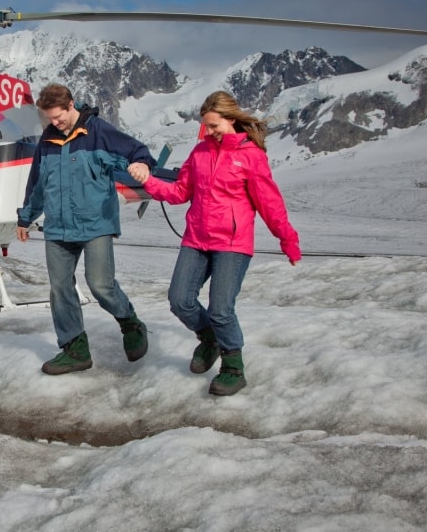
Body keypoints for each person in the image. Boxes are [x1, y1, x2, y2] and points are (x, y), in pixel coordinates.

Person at [128, 90, 301, 396]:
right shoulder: (200, 153)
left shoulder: (251, 156)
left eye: (213, 126)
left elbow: (270, 204)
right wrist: (148, 181)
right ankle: (210, 339)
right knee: (180, 300)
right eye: (206, 127)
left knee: (221, 309)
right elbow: (180, 193)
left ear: (230, 119)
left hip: (232, 244)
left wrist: (288, 239)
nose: (208, 132)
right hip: (196, 238)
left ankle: (234, 367)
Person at [17, 83, 156, 375]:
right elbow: (38, 183)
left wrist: (142, 164)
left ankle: (130, 323)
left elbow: (137, 151)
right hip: (58, 227)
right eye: (50, 119)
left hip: (96, 224)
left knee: (100, 285)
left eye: (58, 117)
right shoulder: (48, 140)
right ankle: (74, 349)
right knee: (60, 288)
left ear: (71, 106)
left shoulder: (98, 132)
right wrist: (25, 217)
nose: (55, 124)